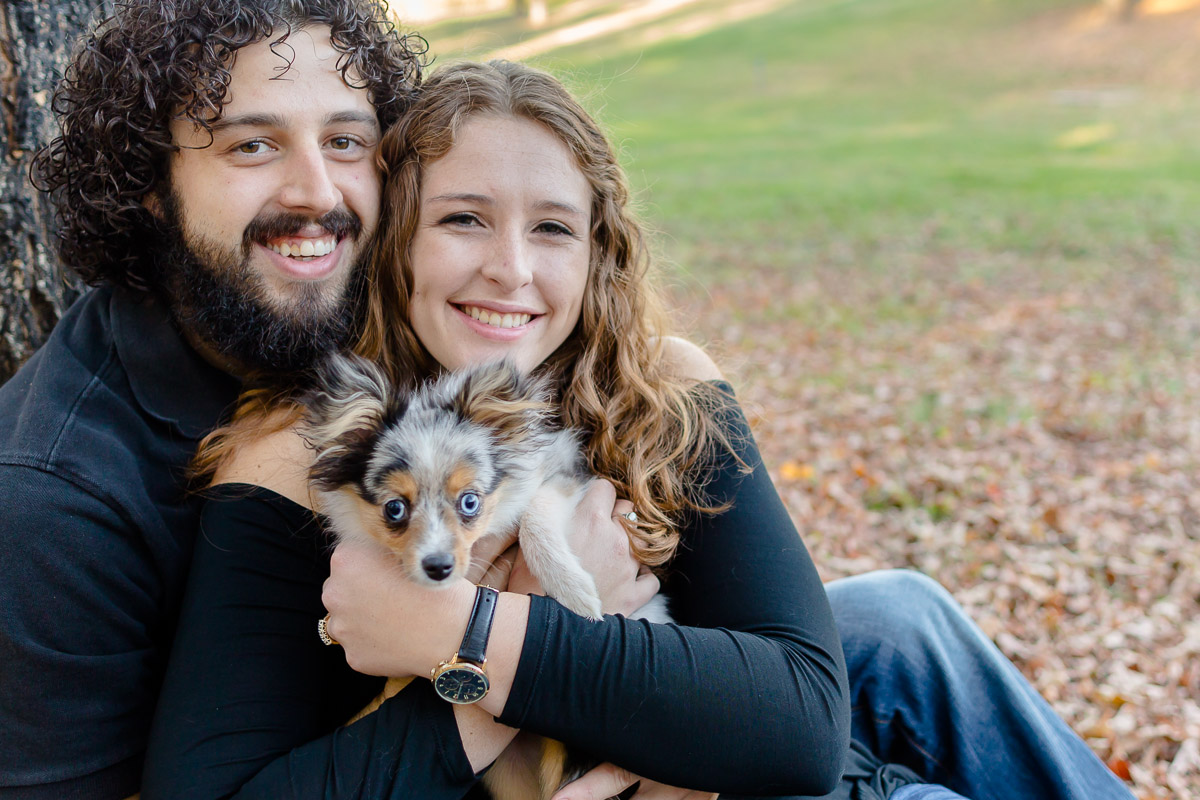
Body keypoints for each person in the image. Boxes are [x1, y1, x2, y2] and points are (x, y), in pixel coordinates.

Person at [143, 60, 1130, 800]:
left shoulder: (656, 388)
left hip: (824, 778)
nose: (512, 271)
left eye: (553, 229)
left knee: (900, 618)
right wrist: (476, 689)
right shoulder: (314, 458)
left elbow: (799, 724)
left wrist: (473, 634)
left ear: (597, 252)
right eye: (463, 220)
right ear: (393, 240)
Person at [0, 1, 423, 796]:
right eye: (252, 145)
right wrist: (483, 697)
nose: (317, 194)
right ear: (149, 183)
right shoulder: (48, 511)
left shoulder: (423, 330)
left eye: (346, 141)